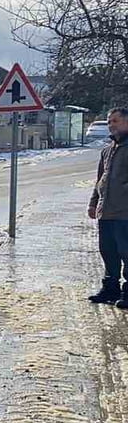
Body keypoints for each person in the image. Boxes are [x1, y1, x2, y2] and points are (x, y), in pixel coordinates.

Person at [89, 108, 128, 306]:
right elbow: (100, 180)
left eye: (116, 121)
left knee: (126, 252)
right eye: (109, 122)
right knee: (108, 251)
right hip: (106, 211)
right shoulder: (107, 150)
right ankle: (110, 289)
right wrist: (93, 203)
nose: (111, 125)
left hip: (125, 213)